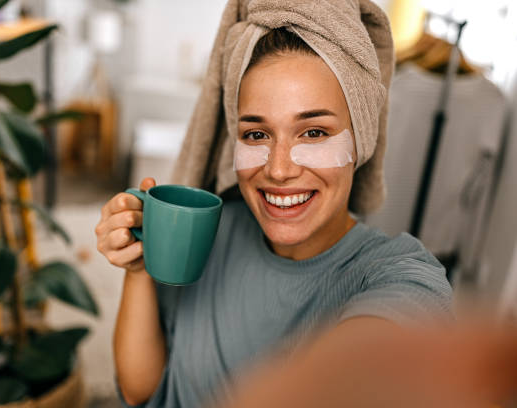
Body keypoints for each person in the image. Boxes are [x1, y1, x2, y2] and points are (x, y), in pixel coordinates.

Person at [95, 1, 453, 407]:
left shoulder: (401, 276)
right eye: (256, 135)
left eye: (314, 132)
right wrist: (140, 268)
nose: (279, 170)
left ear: (360, 140)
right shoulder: (206, 234)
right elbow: (140, 391)